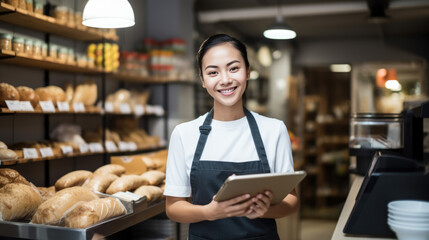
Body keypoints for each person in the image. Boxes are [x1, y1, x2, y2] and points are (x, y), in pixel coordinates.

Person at [164, 33, 299, 239]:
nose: (225, 80)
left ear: (247, 72)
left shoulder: (274, 130)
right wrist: (208, 212)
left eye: (234, 68)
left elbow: (291, 201)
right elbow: (173, 207)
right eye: (212, 72)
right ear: (202, 80)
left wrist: (265, 210)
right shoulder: (184, 134)